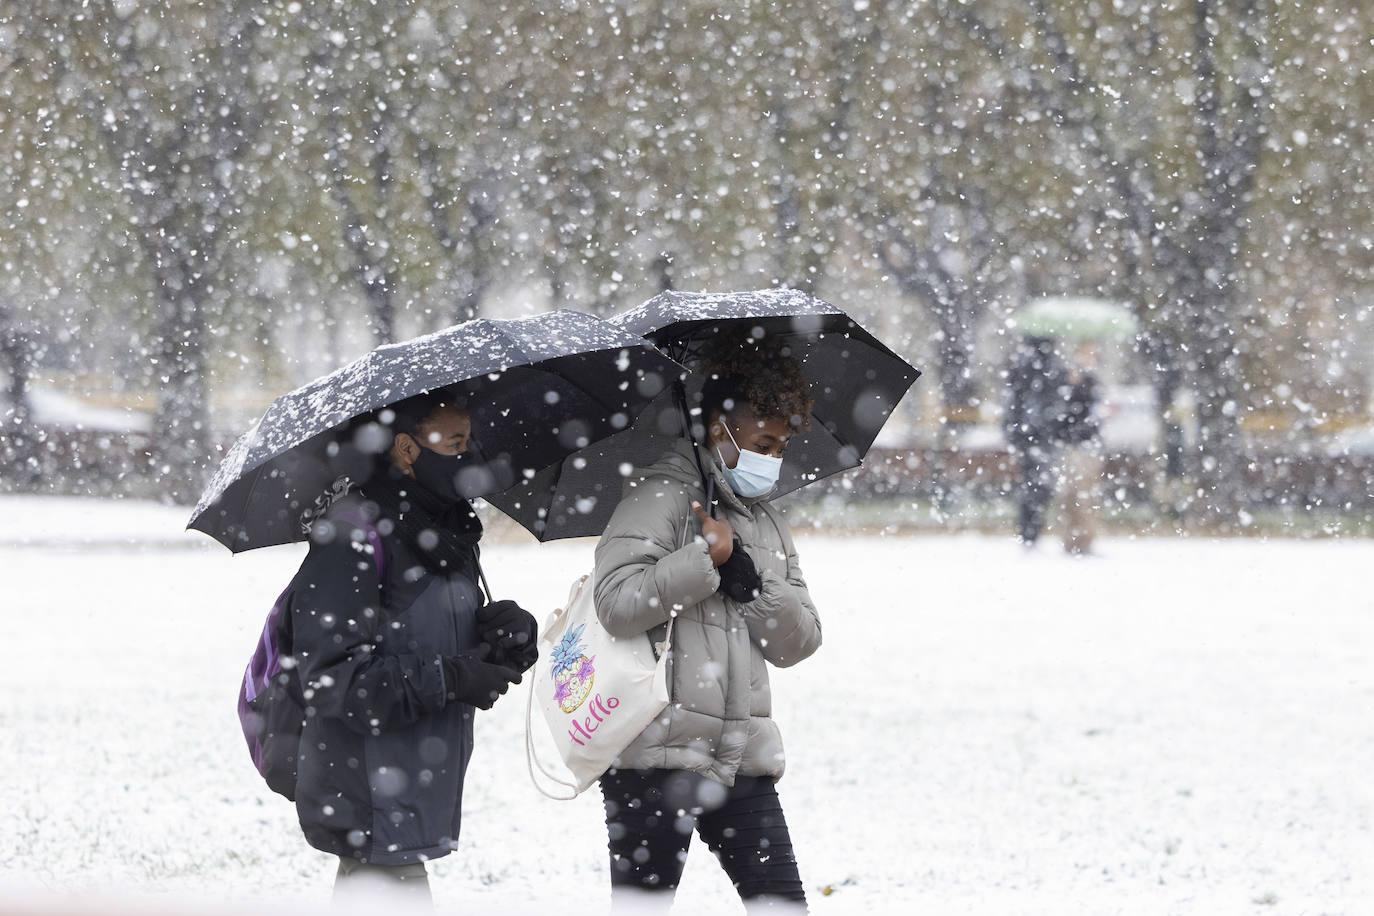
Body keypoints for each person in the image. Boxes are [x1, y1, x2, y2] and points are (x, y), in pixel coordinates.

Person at [592, 336, 823, 911]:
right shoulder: (659, 497)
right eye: (764, 442)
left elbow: (800, 642)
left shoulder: (765, 520)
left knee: (783, 903)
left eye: (783, 444)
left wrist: (744, 576)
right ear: (720, 429)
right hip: (652, 755)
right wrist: (701, 562)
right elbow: (616, 603)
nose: (774, 458)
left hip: (741, 752)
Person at [285, 391, 539, 903]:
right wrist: (451, 677)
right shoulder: (352, 537)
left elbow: (433, 638)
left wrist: (507, 640)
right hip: (369, 793)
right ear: (406, 448)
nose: (471, 459)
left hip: (415, 783)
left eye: (472, 443)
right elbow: (333, 681)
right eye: (456, 444)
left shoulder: (447, 530)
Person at [1004, 335, 1071, 546]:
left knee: (1032, 482)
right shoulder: (1052, 365)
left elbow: (1013, 399)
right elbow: (1057, 401)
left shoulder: (1022, 363)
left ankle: (1029, 529)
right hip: (1042, 434)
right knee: (1040, 483)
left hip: (1029, 434)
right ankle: (1032, 527)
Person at [1053, 344, 1104, 555]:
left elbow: (1094, 413)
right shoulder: (1064, 380)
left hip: (1087, 445)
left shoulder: (1092, 383)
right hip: (1070, 445)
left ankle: (1086, 539)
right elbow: (1061, 415)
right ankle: (1069, 539)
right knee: (1070, 496)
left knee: (1086, 496)